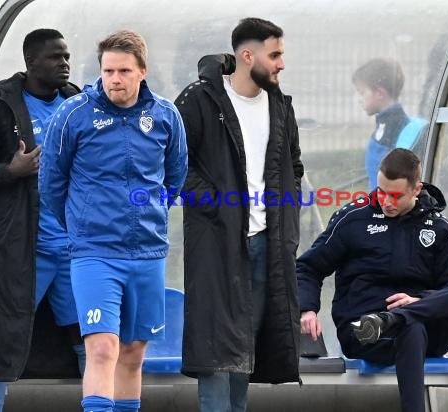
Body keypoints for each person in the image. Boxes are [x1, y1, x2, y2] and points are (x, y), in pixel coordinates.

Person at [39, 30, 187, 412]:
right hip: (94, 252)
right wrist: (82, 225)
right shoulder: (73, 114)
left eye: (123, 70)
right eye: (108, 71)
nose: (114, 79)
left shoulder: (166, 115)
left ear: (142, 71)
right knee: (102, 347)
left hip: (148, 252)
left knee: (134, 352)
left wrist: (148, 216)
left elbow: (175, 177)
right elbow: (52, 183)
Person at [176, 17, 303, 412]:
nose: (282, 64)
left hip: (268, 242)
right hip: (217, 240)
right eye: (275, 54)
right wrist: (216, 204)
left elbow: (293, 166)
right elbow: (174, 165)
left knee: (245, 347)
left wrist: (288, 209)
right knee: (216, 348)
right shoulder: (200, 100)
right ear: (247, 56)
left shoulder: (281, 104)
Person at [298, 148, 448, 412]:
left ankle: (401, 315)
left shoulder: (440, 228)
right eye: (381, 191)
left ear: (416, 189)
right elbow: (308, 267)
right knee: (413, 328)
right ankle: (400, 320)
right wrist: (308, 308)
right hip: (365, 328)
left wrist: (417, 301)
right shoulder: (354, 218)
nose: (386, 200)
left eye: (396, 195)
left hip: (427, 326)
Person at [0, 28, 83, 412]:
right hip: (25, 250)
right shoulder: (0, 109)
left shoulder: (79, 104)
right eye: (56, 57)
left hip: (75, 250)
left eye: (67, 56)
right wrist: (12, 170)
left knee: (92, 335)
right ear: (31, 63)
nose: (65, 63)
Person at [352, 58, 427, 191]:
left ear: (380, 93)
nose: (359, 99)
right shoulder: (383, 129)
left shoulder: (403, 133)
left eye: (362, 92)